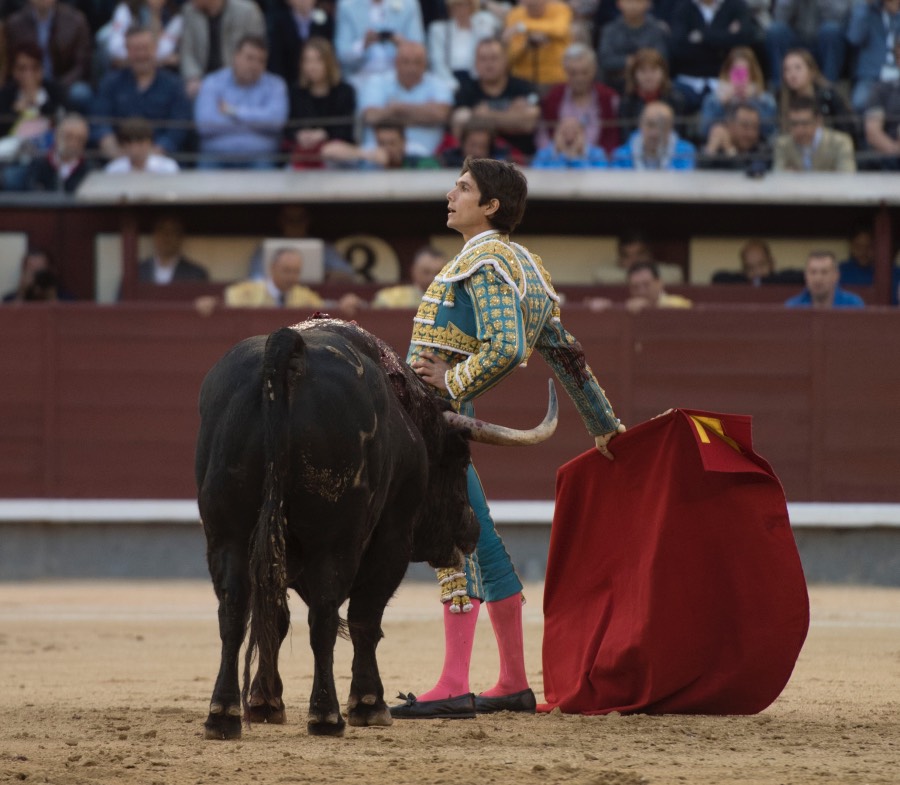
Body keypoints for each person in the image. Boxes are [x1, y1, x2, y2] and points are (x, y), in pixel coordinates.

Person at [389, 158, 625, 721]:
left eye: (464, 188)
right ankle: (515, 682)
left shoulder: (488, 258)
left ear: (491, 207)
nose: (451, 194)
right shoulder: (526, 267)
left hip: (437, 414)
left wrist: (451, 382)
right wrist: (604, 427)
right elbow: (567, 355)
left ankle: (452, 682)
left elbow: (507, 346)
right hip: (444, 410)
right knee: (482, 536)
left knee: (452, 531)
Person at [91, 25, 193, 161]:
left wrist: (152, 155)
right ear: (126, 51)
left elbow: (178, 127)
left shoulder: (174, 85)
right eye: (135, 49)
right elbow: (100, 122)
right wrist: (115, 152)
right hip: (120, 159)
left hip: (163, 160)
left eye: (146, 48)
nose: (141, 55)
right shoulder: (110, 83)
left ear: (155, 49)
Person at [194, 34, 289, 169]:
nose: (255, 65)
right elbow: (205, 125)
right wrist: (256, 124)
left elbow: (275, 122)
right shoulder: (212, 82)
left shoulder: (276, 85)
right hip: (215, 156)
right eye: (249, 58)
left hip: (259, 157)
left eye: (261, 61)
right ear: (236, 57)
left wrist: (233, 111)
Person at [357, 39, 453, 156]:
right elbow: (371, 116)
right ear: (396, 62)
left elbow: (441, 115)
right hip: (378, 161)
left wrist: (397, 109)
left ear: (425, 64)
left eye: (417, 62)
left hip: (426, 163)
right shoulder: (376, 82)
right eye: (405, 62)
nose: (411, 68)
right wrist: (424, 116)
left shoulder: (438, 84)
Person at [451, 36, 541, 159]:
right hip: (477, 162)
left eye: (494, 58)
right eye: (483, 59)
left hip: (519, 161)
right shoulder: (466, 91)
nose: (489, 64)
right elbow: (459, 124)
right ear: (476, 63)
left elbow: (528, 123)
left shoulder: (523, 88)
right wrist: (512, 117)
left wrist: (484, 117)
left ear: (505, 61)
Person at [3, 0, 93, 111]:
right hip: (25, 80)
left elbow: (82, 64)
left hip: (63, 81)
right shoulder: (14, 23)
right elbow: (10, 63)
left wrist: (58, 86)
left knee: (80, 93)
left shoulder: (76, 20)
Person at [0, 42, 67, 191]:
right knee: (11, 178)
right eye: (22, 69)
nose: (28, 74)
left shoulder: (54, 91)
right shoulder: (6, 95)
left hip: (47, 156)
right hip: (12, 159)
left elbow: (63, 119)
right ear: (14, 72)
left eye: (34, 68)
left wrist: (38, 104)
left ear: (41, 70)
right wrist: (16, 111)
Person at [668, 0, 754, 113]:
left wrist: (702, 36)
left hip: (726, 78)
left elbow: (744, 40)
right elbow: (678, 48)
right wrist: (725, 36)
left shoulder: (736, 5)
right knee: (672, 98)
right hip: (687, 80)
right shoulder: (682, 7)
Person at [537, 43, 620, 157]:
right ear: (565, 71)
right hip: (557, 164)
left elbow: (613, 138)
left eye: (584, 72)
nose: (579, 78)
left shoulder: (608, 98)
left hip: (599, 165)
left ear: (594, 70)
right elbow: (543, 136)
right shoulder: (553, 97)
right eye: (573, 73)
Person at [286, 37, 356, 168]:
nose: (311, 67)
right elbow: (289, 127)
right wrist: (299, 135)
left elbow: (346, 130)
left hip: (335, 154)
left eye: (317, 61)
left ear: (328, 62)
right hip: (304, 153)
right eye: (307, 61)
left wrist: (324, 134)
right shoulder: (296, 92)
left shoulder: (345, 92)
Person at [196, 245, 324, 314]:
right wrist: (212, 303)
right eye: (286, 270)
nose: (291, 277)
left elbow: (324, 313)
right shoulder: (245, 291)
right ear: (272, 268)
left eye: (296, 272)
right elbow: (223, 304)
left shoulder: (306, 297)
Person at [179, 0, 267, 99]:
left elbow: (257, 51)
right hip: (202, 81)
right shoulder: (189, 11)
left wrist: (230, 80)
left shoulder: (248, 11)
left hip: (238, 78)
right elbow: (187, 52)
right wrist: (193, 77)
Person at [246, 204, 356, 281]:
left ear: (307, 220)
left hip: (314, 301)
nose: (295, 224)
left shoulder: (323, 247)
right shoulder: (266, 248)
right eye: (290, 220)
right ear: (281, 221)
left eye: (299, 219)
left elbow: (347, 274)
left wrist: (325, 275)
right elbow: (255, 279)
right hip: (277, 302)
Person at [333, 0, 425, 86]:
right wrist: (363, 45)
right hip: (360, 76)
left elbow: (419, 49)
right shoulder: (347, 5)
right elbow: (342, 54)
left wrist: (401, 44)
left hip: (400, 76)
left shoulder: (409, 4)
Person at [338, 244, 447, 315]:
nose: (432, 278)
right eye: (426, 272)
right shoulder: (390, 297)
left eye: (438, 272)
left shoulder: (454, 298)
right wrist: (357, 304)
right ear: (413, 270)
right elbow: (372, 313)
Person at [698, 46, 776, 142]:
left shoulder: (765, 99)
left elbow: (770, 132)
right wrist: (721, 104)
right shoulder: (713, 100)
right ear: (727, 73)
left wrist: (753, 102)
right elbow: (703, 132)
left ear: (752, 74)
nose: (740, 80)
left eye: (744, 73)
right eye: (736, 72)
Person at [765, 0, 850, 88]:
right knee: (776, 31)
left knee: (831, 30)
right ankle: (779, 87)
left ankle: (829, 88)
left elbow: (841, 17)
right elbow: (779, 17)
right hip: (795, 40)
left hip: (822, 43)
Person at [778, 48, 857, 141]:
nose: (792, 74)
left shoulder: (829, 97)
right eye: (787, 70)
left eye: (798, 68)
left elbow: (847, 130)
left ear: (812, 71)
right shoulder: (781, 100)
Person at [426, 0, 500, 92]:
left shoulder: (481, 29)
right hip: (447, 81)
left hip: (475, 81)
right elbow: (437, 62)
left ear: (472, 7)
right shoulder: (438, 29)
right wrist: (452, 85)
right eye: (458, 5)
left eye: (466, 5)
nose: (462, 9)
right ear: (451, 8)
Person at [596, 0, 669, 93]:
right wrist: (628, 61)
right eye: (629, 1)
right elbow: (604, 60)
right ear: (619, 3)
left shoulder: (656, 30)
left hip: (651, 84)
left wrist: (637, 64)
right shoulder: (609, 30)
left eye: (638, 1)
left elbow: (662, 58)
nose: (633, 6)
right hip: (615, 84)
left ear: (648, 3)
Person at [617, 46, 689, 140]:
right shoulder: (627, 103)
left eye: (654, 70)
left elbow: (679, 134)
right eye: (643, 71)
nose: (649, 76)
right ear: (634, 75)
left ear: (663, 73)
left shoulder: (676, 100)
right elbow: (626, 137)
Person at [502, 0, 573, 91]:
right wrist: (526, 44)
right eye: (529, 3)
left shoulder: (560, 9)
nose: (533, 3)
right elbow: (511, 56)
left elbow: (560, 29)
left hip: (556, 78)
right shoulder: (514, 15)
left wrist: (522, 26)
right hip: (523, 79)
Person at [773, 95, 856, 172]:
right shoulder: (783, 145)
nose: (799, 130)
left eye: (805, 123)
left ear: (818, 121)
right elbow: (778, 178)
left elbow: (847, 177)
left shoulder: (840, 142)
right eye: (794, 124)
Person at [846, 0, 900, 114]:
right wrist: (867, 4)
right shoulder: (868, 13)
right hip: (871, 76)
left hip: (897, 73)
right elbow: (854, 38)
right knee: (859, 103)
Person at [268, 0, 335, 87]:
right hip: (289, 81)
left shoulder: (325, 20)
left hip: (320, 82)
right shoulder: (279, 22)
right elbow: (276, 59)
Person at [611, 100, 696, 169]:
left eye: (662, 126)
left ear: (671, 127)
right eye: (650, 125)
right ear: (640, 125)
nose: (655, 133)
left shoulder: (685, 152)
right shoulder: (621, 155)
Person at [319, 120, 440, 168]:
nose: (387, 148)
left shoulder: (418, 152)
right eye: (382, 143)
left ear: (403, 142)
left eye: (392, 143)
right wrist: (364, 155)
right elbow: (327, 151)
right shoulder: (369, 153)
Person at [104, 0, 183, 71]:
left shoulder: (175, 16)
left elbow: (163, 51)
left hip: (161, 73)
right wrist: (160, 60)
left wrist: (155, 15)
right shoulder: (126, 9)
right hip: (124, 71)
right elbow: (115, 50)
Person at [24, 111, 92, 193]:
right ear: (56, 135)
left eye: (79, 139)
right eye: (68, 136)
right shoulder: (38, 164)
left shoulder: (90, 170)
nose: (73, 143)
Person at [698, 101, 772, 173]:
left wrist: (729, 149)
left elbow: (748, 177)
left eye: (755, 127)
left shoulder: (762, 150)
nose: (751, 133)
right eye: (745, 126)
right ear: (730, 125)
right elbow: (699, 178)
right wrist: (711, 148)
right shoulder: (718, 147)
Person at [137, 215, 209, 284]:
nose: (166, 236)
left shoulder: (196, 274)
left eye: (173, 231)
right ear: (154, 234)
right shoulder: (138, 271)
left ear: (180, 237)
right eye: (161, 230)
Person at [863, 37, 900, 169]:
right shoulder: (881, 90)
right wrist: (895, 151)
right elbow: (873, 133)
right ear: (897, 60)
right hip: (892, 157)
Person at [838, 226, 900, 304]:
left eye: (869, 246)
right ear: (851, 247)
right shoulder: (840, 271)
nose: (863, 252)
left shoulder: (895, 274)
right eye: (858, 246)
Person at [785, 249, 865, 308]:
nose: (818, 278)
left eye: (824, 272)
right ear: (805, 276)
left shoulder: (853, 305)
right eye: (813, 272)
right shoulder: (793, 306)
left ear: (836, 276)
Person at [711, 237, 804, 284]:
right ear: (744, 270)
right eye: (750, 268)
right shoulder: (742, 282)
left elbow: (801, 277)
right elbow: (717, 278)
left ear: (771, 263)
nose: (757, 272)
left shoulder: (781, 280)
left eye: (761, 265)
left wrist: (763, 282)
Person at [104, 116, 180, 173]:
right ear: (123, 146)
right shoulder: (114, 169)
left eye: (140, 144)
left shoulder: (168, 168)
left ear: (150, 143)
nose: (135, 149)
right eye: (130, 144)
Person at [531, 115, 608, 167]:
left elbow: (598, 178)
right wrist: (561, 155)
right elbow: (542, 178)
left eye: (575, 132)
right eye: (564, 132)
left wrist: (576, 157)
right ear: (556, 133)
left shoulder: (597, 154)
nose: (569, 135)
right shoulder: (542, 155)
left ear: (582, 133)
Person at [1, 247, 71, 302]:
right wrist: (22, 292)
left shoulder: (66, 298)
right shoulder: (9, 299)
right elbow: (10, 315)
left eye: (40, 270)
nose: (36, 275)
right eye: (31, 270)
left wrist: (50, 293)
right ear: (24, 272)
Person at [621, 260, 692, 311]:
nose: (641, 291)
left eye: (646, 285)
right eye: (635, 287)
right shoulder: (628, 307)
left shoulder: (678, 304)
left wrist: (649, 306)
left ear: (659, 283)